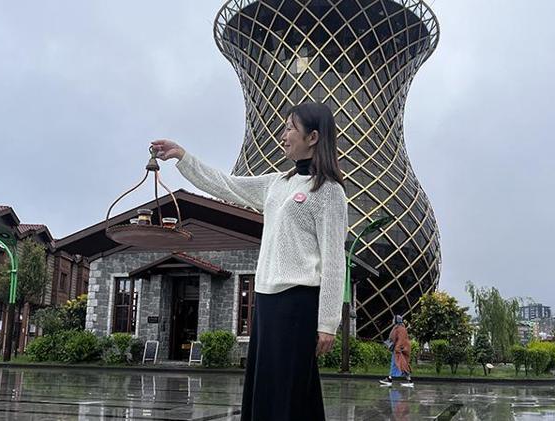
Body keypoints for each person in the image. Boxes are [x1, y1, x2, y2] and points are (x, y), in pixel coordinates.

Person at [151, 101, 348, 421]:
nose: (283, 135)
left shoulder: (329, 191)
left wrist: (327, 323)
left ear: (313, 137)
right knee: (265, 385)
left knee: (290, 387)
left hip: (298, 302)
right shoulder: (277, 183)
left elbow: (334, 261)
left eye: (290, 129)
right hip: (267, 299)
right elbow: (226, 185)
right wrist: (183, 158)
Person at [380, 315, 413, 387]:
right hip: (400, 349)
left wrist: (397, 348)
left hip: (400, 349)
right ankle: (408, 381)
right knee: (401, 364)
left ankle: (389, 379)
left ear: (396, 320)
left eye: (393, 319)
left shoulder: (400, 329)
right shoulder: (399, 327)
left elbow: (401, 339)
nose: (392, 320)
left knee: (399, 364)